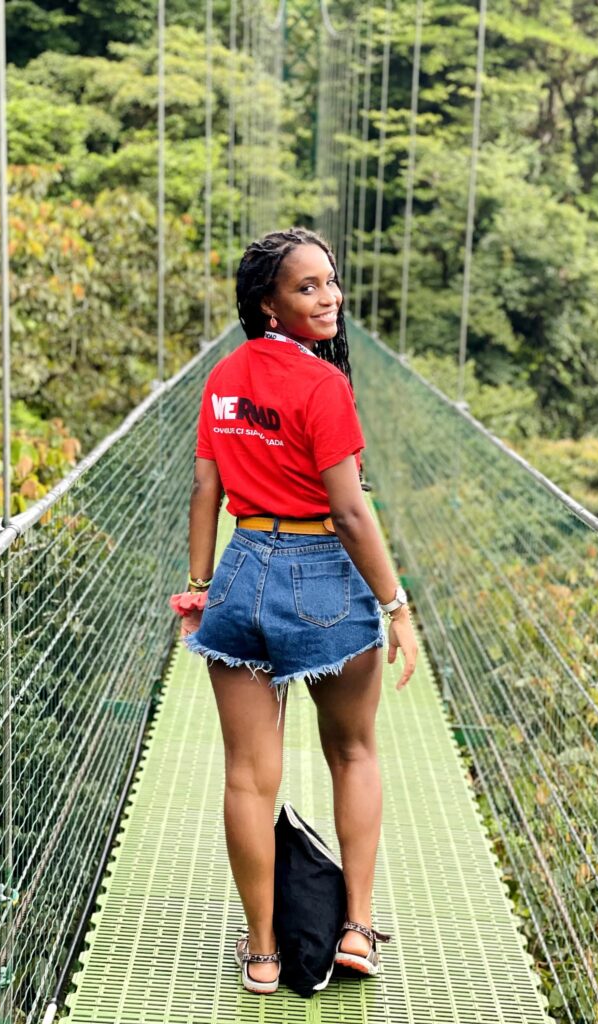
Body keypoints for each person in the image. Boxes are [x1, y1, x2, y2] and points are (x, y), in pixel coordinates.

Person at [180, 227, 417, 995]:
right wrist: (396, 604)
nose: (329, 298)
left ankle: (262, 952)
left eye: (330, 281)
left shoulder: (223, 379)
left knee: (248, 778)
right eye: (307, 287)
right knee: (353, 753)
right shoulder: (324, 385)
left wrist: (199, 588)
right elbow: (349, 512)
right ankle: (356, 928)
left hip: (242, 569)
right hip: (324, 577)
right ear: (268, 305)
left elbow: (206, 490)